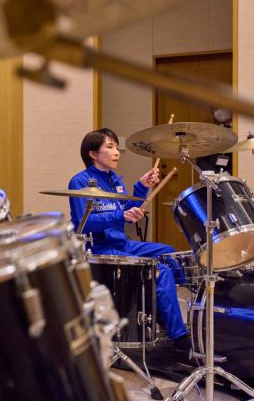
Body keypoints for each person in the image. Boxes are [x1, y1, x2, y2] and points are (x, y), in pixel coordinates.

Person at [68, 127, 190, 355]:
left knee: (168, 253)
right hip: (100, 249)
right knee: (161, 271)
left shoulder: (115, 180)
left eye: (117, 147)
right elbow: (84, 223)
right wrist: (121, 215)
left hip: (122, 244)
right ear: (93, 154)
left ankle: (163, 315)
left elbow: (127, 210)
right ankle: (180, 337)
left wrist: (141, 186)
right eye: (110, 147)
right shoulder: (79, 181)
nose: (117, 152)